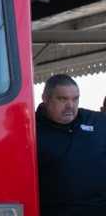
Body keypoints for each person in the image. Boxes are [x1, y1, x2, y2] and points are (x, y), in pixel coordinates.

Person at [36, 74, 106, 215]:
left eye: (75, 99)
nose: (70, 106)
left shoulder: (97, 121)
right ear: (45, 98)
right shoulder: (30, 129)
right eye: (62, 99)